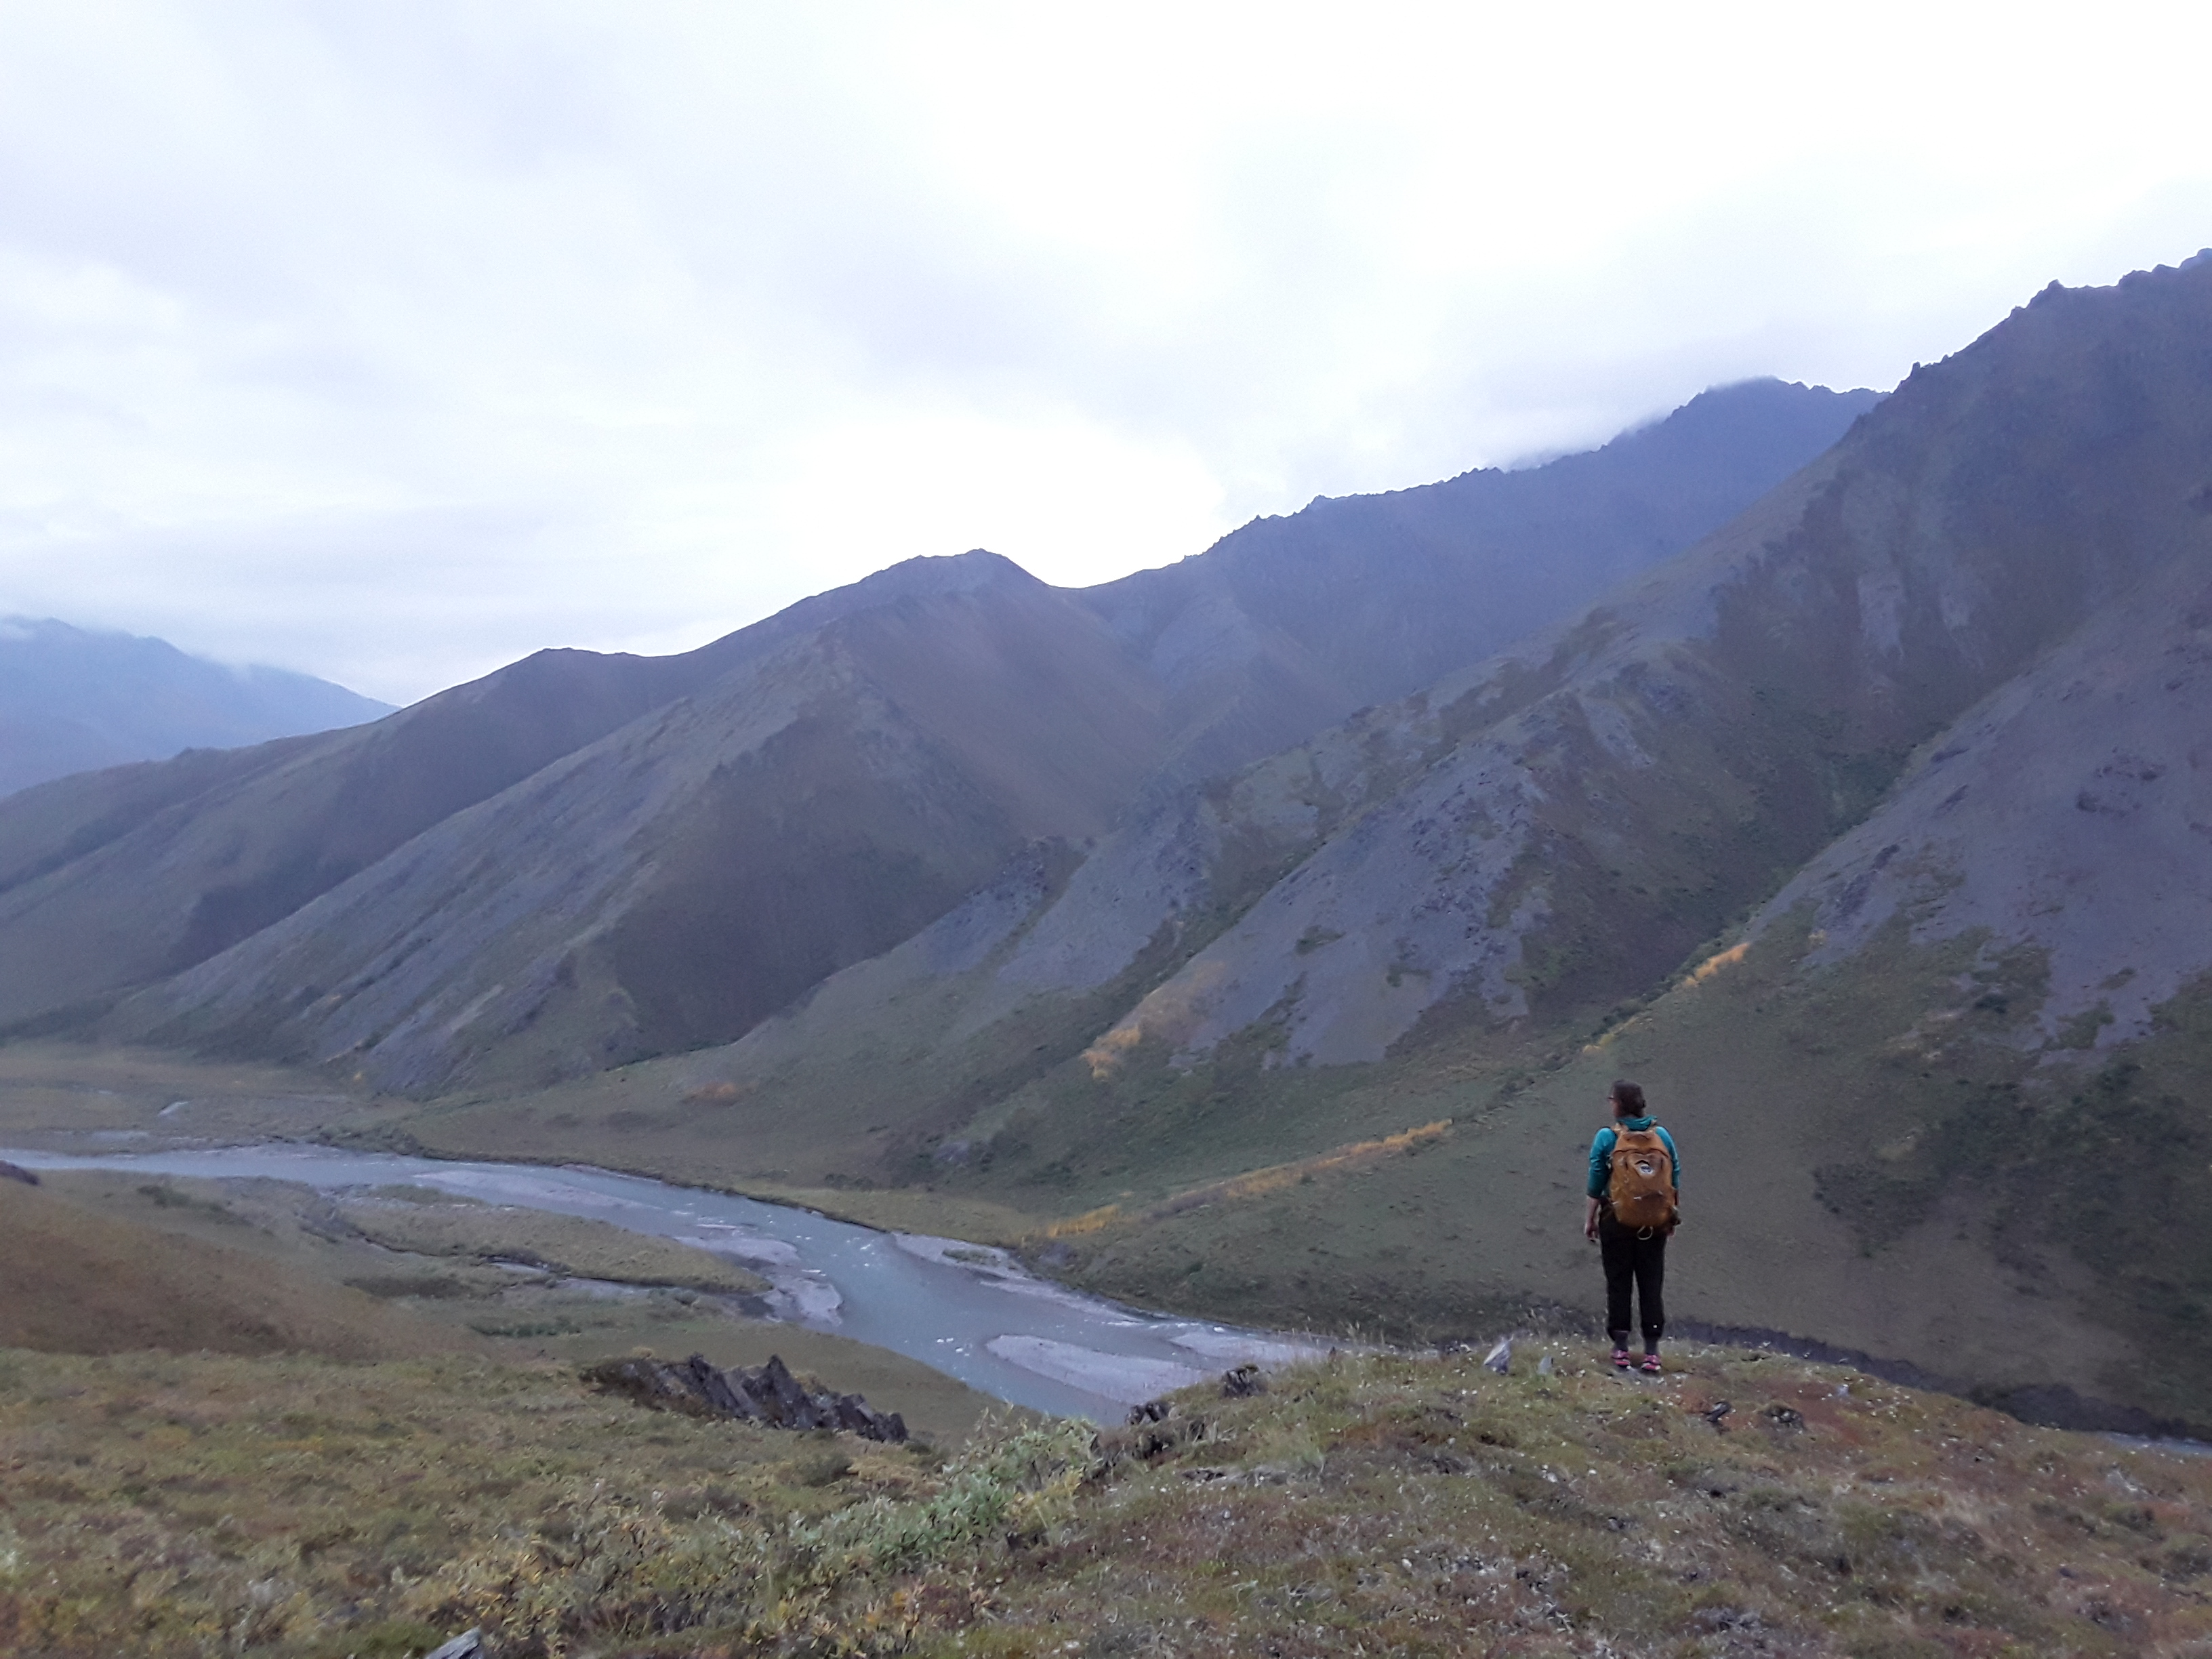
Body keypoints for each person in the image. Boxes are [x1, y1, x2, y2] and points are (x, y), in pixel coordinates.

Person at [1583, 1079, 1679, 1374]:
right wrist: (1670, 1215)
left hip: (1616, 1220)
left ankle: (1621, 1348)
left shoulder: (1607, 1137)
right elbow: (1674, 1175)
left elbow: (1596, 1180)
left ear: (1619, 1104)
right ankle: (1652, 1352)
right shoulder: (1662, 1136)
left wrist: (1590, 1219)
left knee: (1619, 1282)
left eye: (1611, 1099)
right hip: (1654, 1223)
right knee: (1652, 1282)